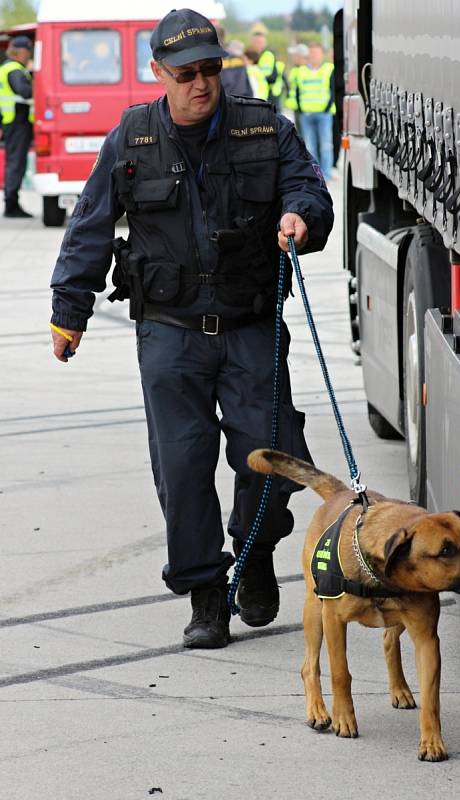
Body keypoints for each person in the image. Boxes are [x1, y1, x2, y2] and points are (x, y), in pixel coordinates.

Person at [49, 9, 333, 650]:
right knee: (182, 467)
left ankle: (256, 551)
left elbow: (310, 190)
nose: (202, 83)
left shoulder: (265, 126)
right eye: (187, 74)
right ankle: (208, 594)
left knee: (269, 451)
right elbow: (90, 225)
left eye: (211, 69)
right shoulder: (133, 137)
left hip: (250, 323)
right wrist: (70, 312)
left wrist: (299, 217)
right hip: (170, 332)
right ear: (159, 73)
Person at [0, 35, 34, 218]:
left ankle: (11, 202)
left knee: (14, 162)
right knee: (16, 163)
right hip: (17, 122)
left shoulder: (8, 68)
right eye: (28, 51)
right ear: (20, 52)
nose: (29, 55)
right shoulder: (14, 70)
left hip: (12, 122)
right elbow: (25, 92)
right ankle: (11, 205)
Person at [294, 42, 335, 181]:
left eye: (316, 53)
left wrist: (327, 108)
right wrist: (300, 109)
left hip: (324, 114)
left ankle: (327, 175)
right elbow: (298, 91)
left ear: (321, 55)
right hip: (306, 115)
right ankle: (315, 176)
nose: (314, 56)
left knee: (325, 146)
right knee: (310, 147)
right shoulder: (301, 71)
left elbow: (333, 90)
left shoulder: (329, 69)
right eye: (311, 54)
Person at [216, 25, 252, 97]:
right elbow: (248, 86)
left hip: (226, 101)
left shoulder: (214, 61)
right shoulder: (239, 59)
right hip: (241, 100)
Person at [284, 43, 309, 133]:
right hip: (297, 107)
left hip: (304, 109)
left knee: (305, 134)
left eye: (295, 55)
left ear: (300, 56)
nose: (293, 58)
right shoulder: (295, 70)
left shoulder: (306, 71)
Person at [250, 30, 277, 105]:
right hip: (254, 96)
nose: (260, 45)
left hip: (268, 95)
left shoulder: (268, 56)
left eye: (262, 43)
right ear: (252, 43)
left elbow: (272, 77)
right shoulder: (249, 56)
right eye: (257, 42)